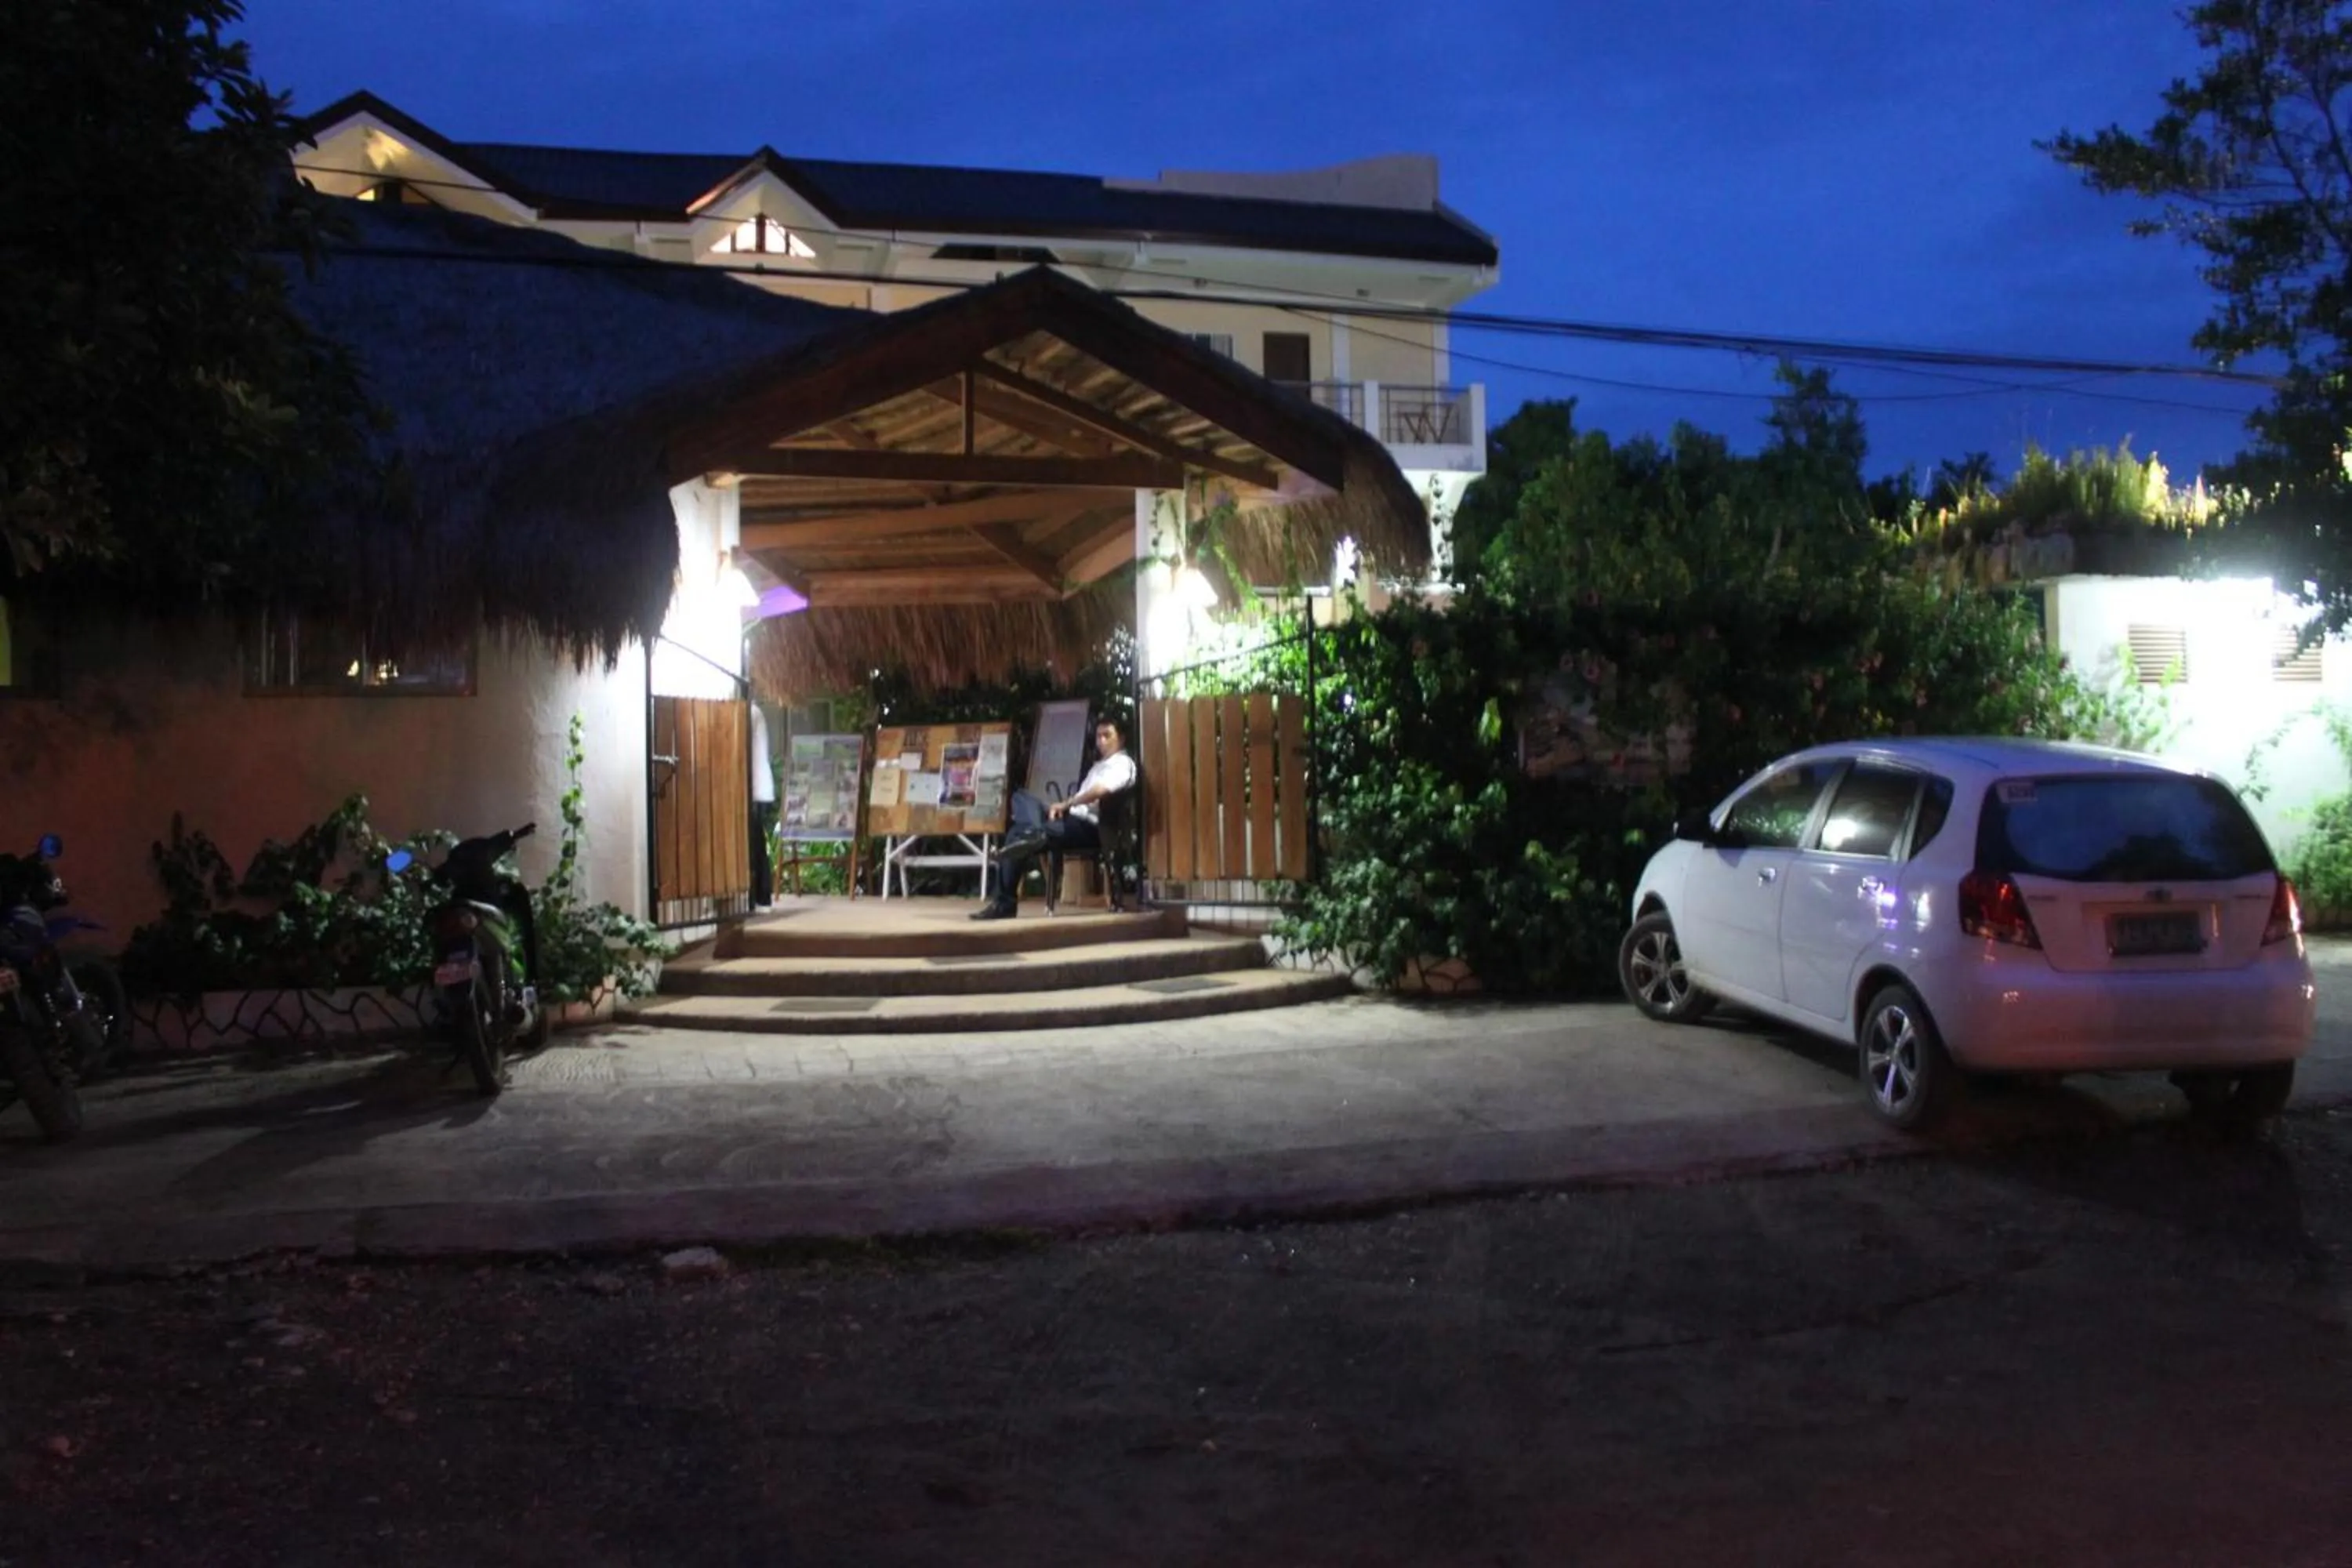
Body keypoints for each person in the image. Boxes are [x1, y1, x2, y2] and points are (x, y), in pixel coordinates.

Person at [971, 717, 1137, 920]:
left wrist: (1067, 804)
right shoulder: (1098, 766)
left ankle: (1005, 903)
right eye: (1098, 736)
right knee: (1020, 797)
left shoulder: (1122, 764)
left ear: (1121, 739)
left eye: (1107, 736)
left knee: (1016, 834)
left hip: (1089, 828)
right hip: (1069, 819)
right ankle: (1035, 831)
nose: (1101, 741)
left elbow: (1100, 790)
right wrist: (1061, 808)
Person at [749, 702, 778, 909]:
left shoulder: (750, 712)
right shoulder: (753, 711)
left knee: (755, 843)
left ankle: (761, 895)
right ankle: (760, 896)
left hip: (755, 787)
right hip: (757, 786)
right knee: (756, 842)